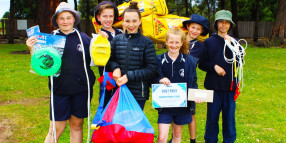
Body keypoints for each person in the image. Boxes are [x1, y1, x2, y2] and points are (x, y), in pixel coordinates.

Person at [26, 2, 95, 142]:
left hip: (81, 91)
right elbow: (40, 63)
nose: (65, 21)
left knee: (76, 126)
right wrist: (31, 48)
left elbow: (98, 58)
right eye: (61, 18)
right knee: (56, 129)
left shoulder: (85, 39)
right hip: (59, 90)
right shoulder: (49, 39)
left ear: (74, 19)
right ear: (56, 21)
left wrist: (102, 42)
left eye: (68, 18)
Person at [106, 1, 157, 110]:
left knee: (134, 126)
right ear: (123, 22)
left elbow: (151, 69)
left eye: (134, 21)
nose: (131, 24)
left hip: (138, 93)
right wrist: (115, 68)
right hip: (118, 90)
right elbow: (110, 60)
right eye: (127, 21)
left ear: (139, 21)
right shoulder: (116, 40)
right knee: (120, 125)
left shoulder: (146, 42)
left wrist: (128, 76)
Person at [198, 10, 240, 143]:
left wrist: (232, 44)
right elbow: (202, 64)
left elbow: (240, 61)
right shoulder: (209, 42)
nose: (224, 25)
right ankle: (210, 140)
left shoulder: (235, 41)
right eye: (221, 22)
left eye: (227, 22)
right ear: (216, 24)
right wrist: (214, 67)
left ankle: (229, 140)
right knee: (212, 118)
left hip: (229, 87)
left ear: (230, 25)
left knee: (229, 119)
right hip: (213, 88)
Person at [155, 28, 198, 143]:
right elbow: (152, 78)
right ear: (166, 42)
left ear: (182, 43)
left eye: (177, 42)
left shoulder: (189, 61)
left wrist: (196, 95)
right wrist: (160, 79)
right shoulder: (158, 60)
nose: (174, 45)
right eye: (171, 42)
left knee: (177, 135)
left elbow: (193, 82)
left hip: (182, 107)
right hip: (165, 106)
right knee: (162, 137)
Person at [182, 14, 209, 143]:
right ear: (188, 26)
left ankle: (193, 140)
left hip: (190, 81)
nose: (195, 31)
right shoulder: (178, 39)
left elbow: (204, 63)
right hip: (175, 80)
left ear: (202, 31)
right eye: (193, 27)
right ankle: (175, 138)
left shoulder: (200, 46)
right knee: (174, 111)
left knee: (190, 113)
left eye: (198, 29)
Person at [94, 1, 122, 108]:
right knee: (107, 108)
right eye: (104, 16)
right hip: (108, 79)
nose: (108, 19)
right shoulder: (97, 37)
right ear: (98, 17)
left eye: (111, 16)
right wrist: (100, 39)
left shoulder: (121, 33)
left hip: (123, 77)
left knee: (121, 108)